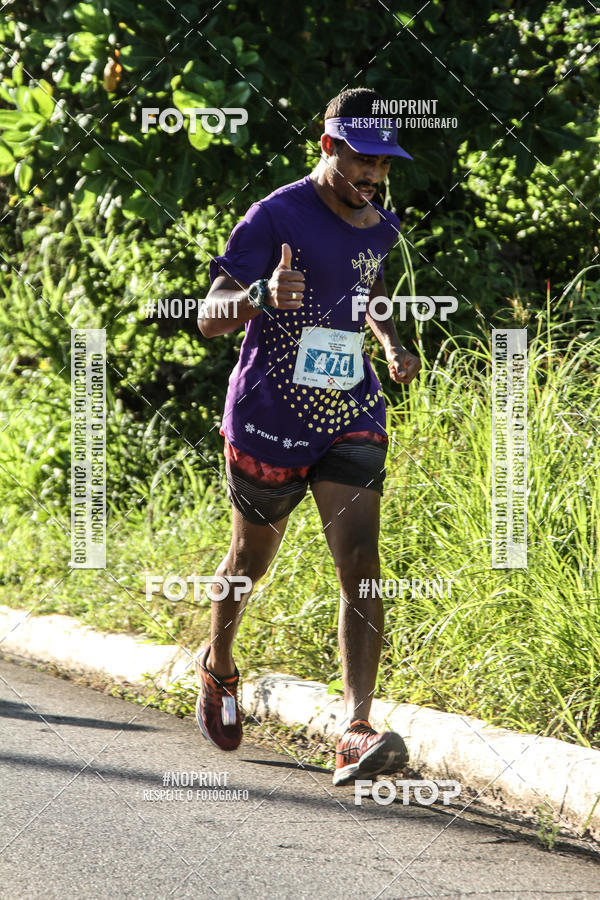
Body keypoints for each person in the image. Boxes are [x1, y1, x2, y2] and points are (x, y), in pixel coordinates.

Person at [196, 87, 421, 786]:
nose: (375, 176)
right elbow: (208, 316)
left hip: (349, 409)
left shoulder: (377, 222)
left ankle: (355, 728)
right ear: (328, 148)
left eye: (384, 163)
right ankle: (219, 666)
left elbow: (371, 285)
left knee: (360, 556)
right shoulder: (273, 216)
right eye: (363, 160)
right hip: (269, 417)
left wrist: (388, 340)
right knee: (251, 559)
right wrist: (262, 295)